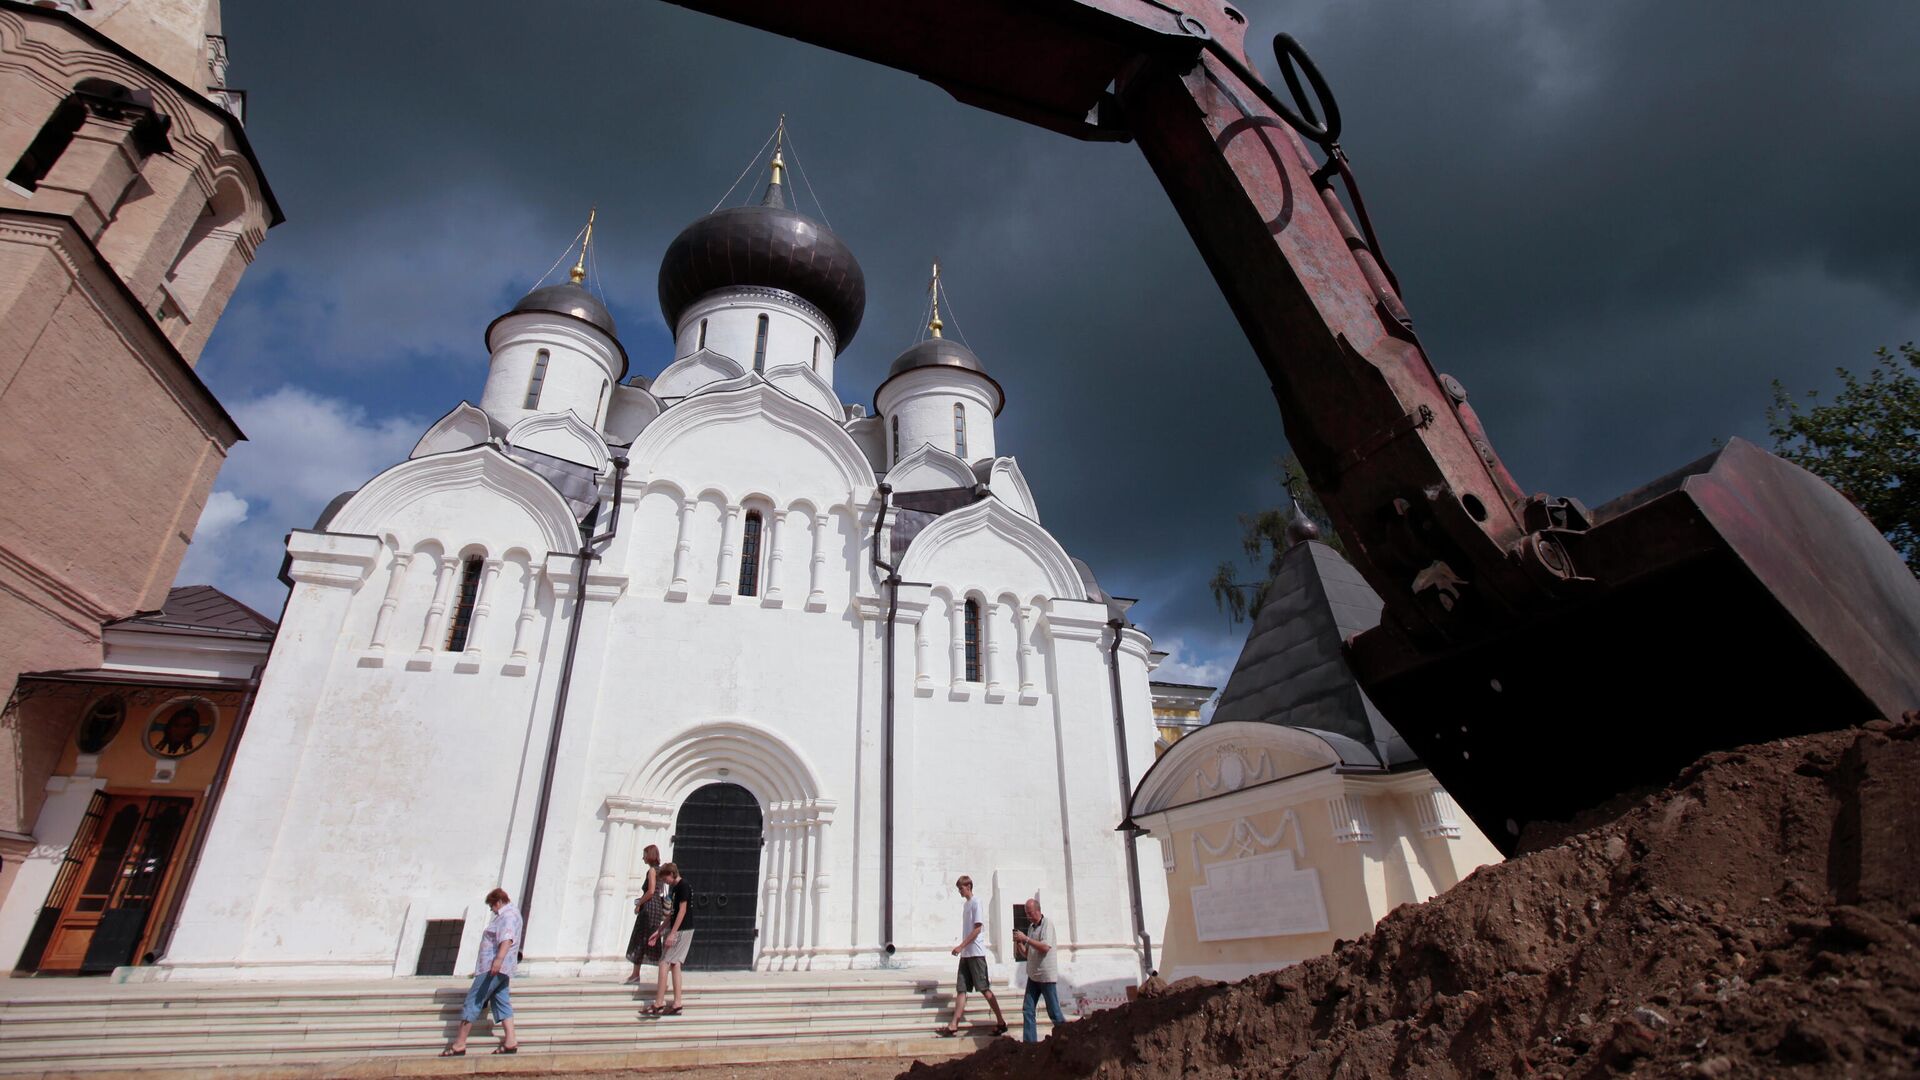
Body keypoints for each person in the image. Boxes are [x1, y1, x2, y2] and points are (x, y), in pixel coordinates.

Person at [441, 887, 521, 1057]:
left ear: (498, 902)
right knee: (501, 1001)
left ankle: (459, 1044)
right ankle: (510, 1041)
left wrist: (497, 961)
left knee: (474, 1000)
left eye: (492, 906)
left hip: (492, 968)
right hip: (502, 968)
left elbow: (507, 939)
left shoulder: (507, 916)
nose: (491, 910)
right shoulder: (513, 914)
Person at [937, 874, 1007, 1037]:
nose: (960, 891)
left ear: (968, 886)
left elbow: (977, 929)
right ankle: (954, 1024)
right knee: (961, 989)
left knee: (984, 989)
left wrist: (961, 946)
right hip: (966, 955)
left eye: (961, 888)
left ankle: (1001, 1021)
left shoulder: (976, 903)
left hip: (975, 953)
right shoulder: (967, 905)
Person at [1013, 896, 1066, 1043]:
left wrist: (1026, 939)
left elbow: (1045, 947)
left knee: (1053, 1011)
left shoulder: (1047, 924)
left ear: (1038, 911)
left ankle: (1067, 1036)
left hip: (1046, 975)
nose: (1028, 916)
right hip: (1033, 975)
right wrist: (1019, 944)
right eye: (1026, 913)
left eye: (1030, 913)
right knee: (1028, 1009)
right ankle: (1030, 1044)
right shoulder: (1031, 928)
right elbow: (1028, 954)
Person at [644, 862, 693, 1016]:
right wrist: (659, 931)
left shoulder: (683, 886)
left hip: (682, 929)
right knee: (675, 964)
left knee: (664, 962)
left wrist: (672, 933)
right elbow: (672, 912)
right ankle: (677, 1002)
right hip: (682, 929)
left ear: (672, 874)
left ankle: (659, 1003)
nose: (665, 882)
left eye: (666, 879)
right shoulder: (676, 888)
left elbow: (682, 911)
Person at [623, 844, 665, 983]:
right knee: (651, 937)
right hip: (657, 906)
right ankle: (657, 973)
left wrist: (639, 903)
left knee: (640, 938)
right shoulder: (660, 871)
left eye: (645, 855)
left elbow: (651, 891)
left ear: (650, 855)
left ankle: (635, 974)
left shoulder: (652, 871)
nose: (643, 858)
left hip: (650, 906)